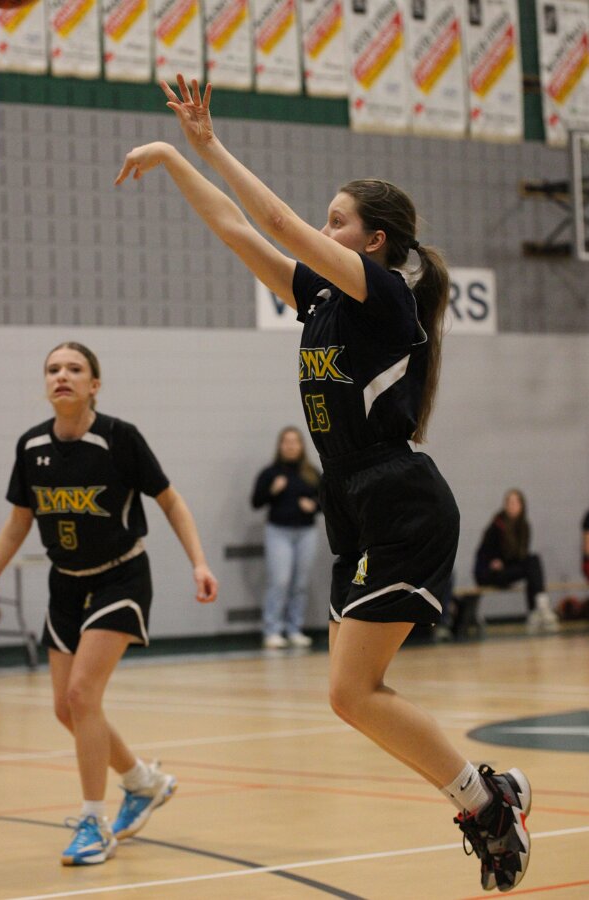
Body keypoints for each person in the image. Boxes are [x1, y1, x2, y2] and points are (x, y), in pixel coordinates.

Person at [115, 75, 531, 893]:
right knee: (351, 695)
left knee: (354, 691)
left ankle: (487, 804)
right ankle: (489, 798)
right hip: (353, 500)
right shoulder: (323, 302)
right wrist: (171, 157)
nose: (321, 227)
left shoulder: (386, 298)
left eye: (336, 220)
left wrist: (206, 142)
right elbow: (239, 229)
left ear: (373, 241)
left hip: (399, 499)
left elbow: (277, 222)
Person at [0, 342, 218, 866]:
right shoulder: (30, 446)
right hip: (65, 584)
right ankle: (142, 781)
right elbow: (18, 525)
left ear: (94, 385)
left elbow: (170, 501)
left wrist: (199, 563)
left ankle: (94, 822)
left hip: (121, 578)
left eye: (74, 369)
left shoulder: (119, 438)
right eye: (53, 369)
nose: (61, 375)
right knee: (65, 707)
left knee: (81, 694)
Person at [251, 426, 320, 649]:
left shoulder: (311, 473)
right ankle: (272, 630)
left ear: (301, 446)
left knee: (300, 583)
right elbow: (256, 502)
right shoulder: (270, 473)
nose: (290, 446)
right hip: (278, 531)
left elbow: (327, 500)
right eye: (286, 442)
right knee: (279, 581)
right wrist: (272, 490)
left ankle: (294, 629)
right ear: (280, 446)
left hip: (306, 532)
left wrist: (314, 505)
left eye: (295, 442)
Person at [474, 488, 558, 634]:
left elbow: (521, 555)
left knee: (533, 561)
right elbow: (483, 553)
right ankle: (539, 608)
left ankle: (537, 610)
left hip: (507, 568)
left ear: (521, 506)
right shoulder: (497, 525)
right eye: (508, 502)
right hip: (489, 573)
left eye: (515, 502)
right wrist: (492, 562)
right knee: (532, 566)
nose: (511, 506)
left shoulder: (524, 526)